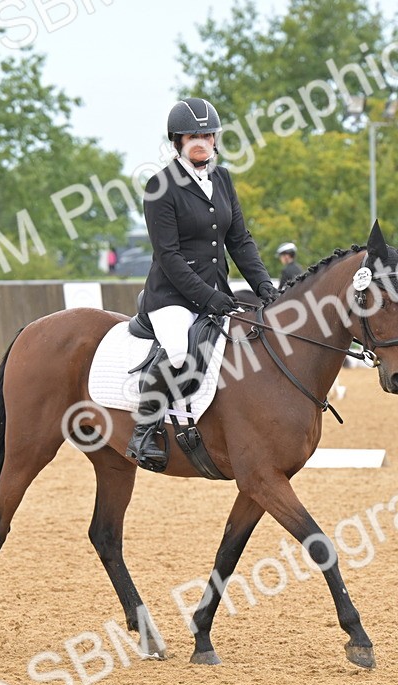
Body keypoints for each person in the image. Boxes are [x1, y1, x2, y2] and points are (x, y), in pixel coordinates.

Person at [127, 97, 279, 471]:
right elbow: (169, 255)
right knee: (179, 351)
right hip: (171, 298)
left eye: (207, 135)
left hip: (216, 294)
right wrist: (209, 297)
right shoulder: (159, 186)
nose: (201, 141)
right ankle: (144, 431)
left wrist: (264, 286)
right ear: (177, 141)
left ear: (215, 140)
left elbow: (239, 240)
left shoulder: (222, 179)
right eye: (192, 135)